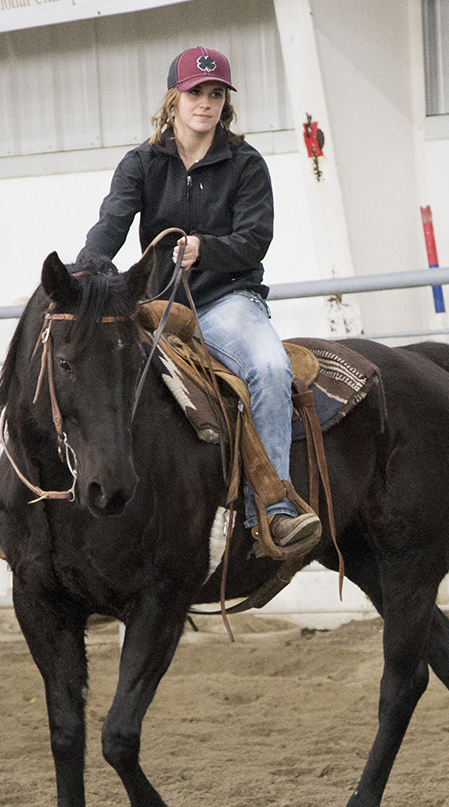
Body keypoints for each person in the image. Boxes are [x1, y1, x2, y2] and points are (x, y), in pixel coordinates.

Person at [79, 46, 319, 554]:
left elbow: (256, 239)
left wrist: (205, 249)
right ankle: (38, 511)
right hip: (157, 305)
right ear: (174, 99)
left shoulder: (246, 164)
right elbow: (111, 227)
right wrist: (84, 273)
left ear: (224, 104)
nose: (204, 103)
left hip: (227, 302)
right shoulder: (141, 164)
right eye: (195, 93)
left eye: (215, 94)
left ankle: (272, 513)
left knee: (271, 370)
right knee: (86, 365)